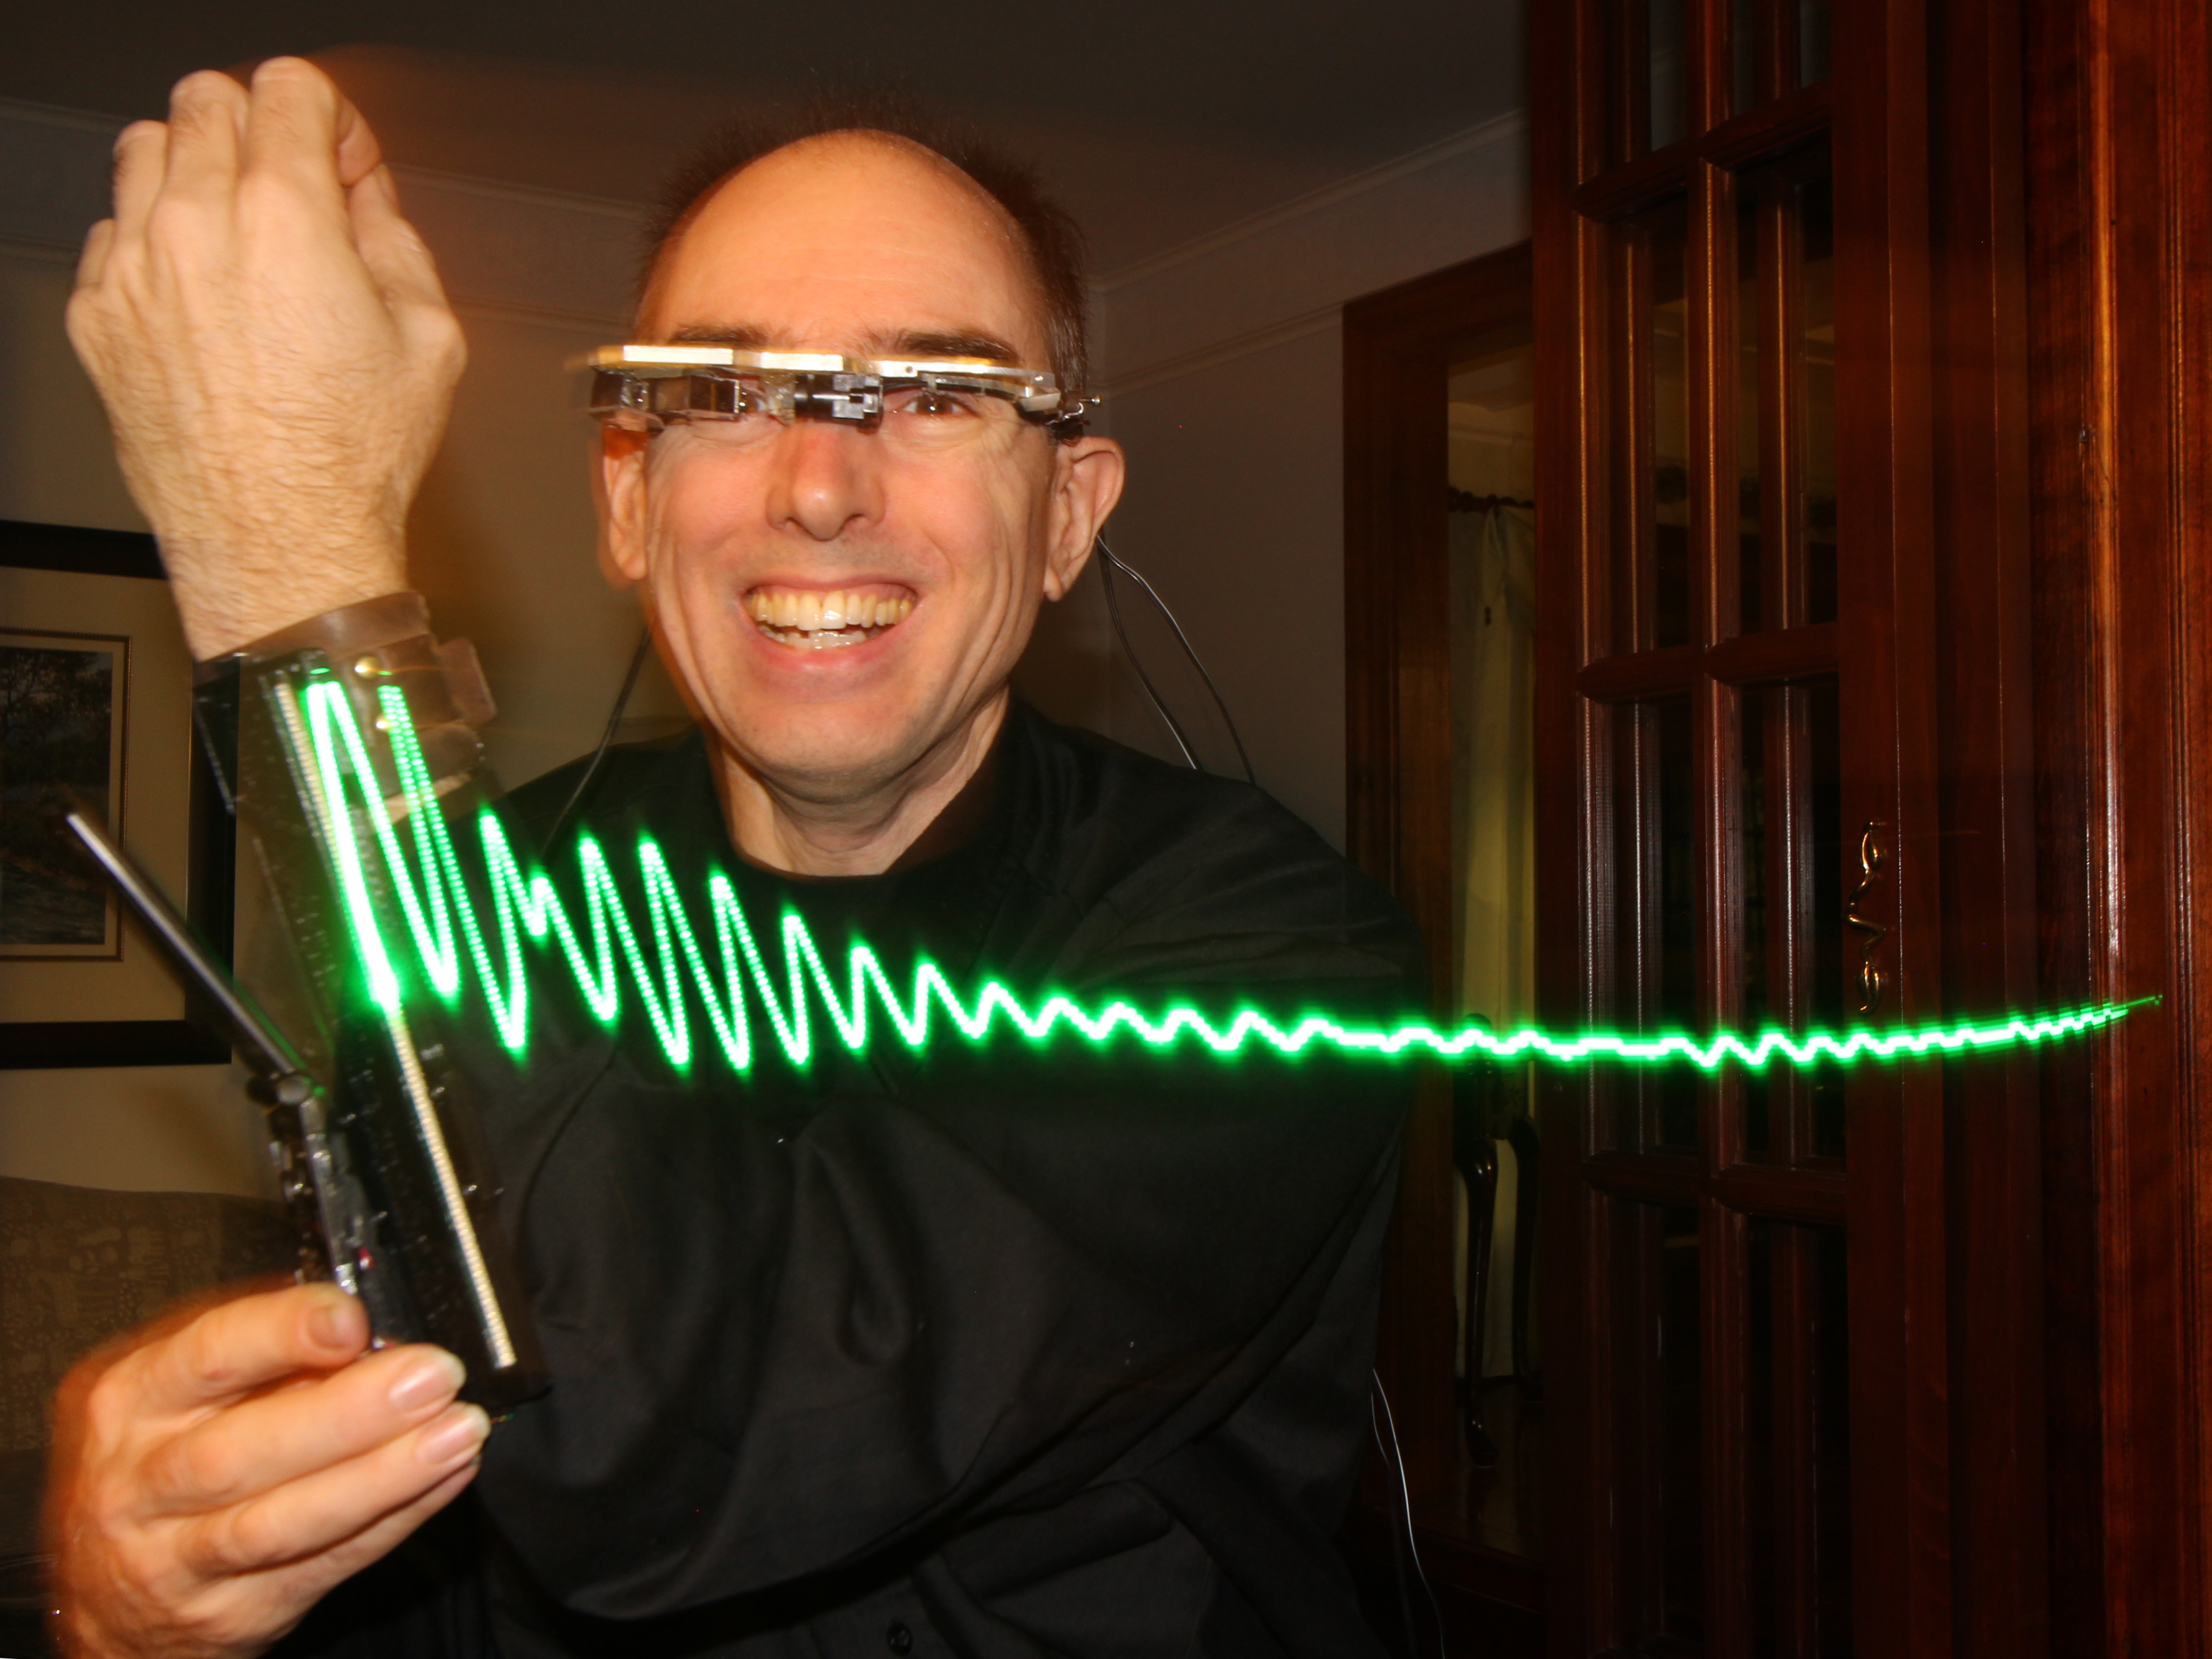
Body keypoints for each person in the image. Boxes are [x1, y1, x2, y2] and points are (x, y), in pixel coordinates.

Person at [49, 57, 1423, 1659]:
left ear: (1066, 515)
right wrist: (138, 1603)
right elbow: (434, 1513)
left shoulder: (1266, 961)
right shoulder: (474, 882)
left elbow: (652, 1443)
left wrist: (289, 552)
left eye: (937, 393)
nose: (821, 486)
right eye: (722, 392)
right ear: (628, 499)